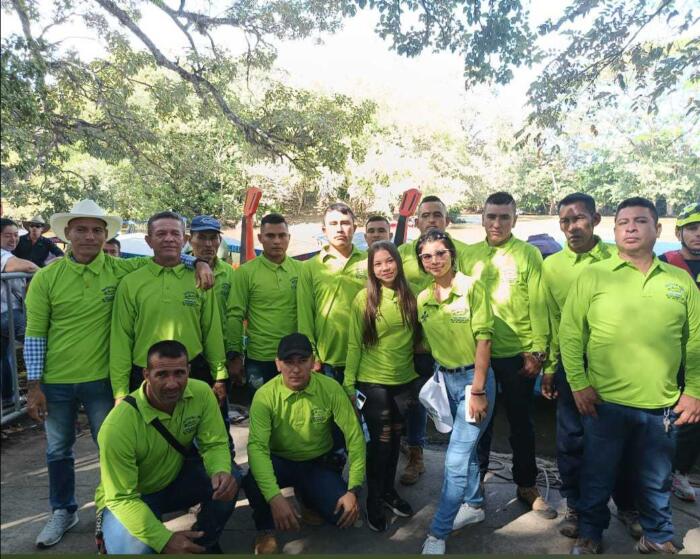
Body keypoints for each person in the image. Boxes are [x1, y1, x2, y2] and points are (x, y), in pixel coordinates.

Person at [23, 200, 211, 548]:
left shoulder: (121, 269)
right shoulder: (46, 278)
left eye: (97, 230)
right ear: (67, 234)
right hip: (57, 380)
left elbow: (165, 257)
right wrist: (34, 386)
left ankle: (116, 507)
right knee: (58, 450)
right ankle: (63, 510)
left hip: (101, 380)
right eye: (81, 230)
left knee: (108, 448)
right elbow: (35, 332)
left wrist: (197, 261)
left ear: (106, 235)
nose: (89, 237)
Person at [560, 197, 700, 555]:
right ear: (615, 229)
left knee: (656, 480)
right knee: (596, 476)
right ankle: (590, 532)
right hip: (604, 403)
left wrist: (694, 391)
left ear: (659, 229)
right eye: (624, 222)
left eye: (640, 221)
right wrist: (578, 383)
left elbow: (696, 340)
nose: (631, 228)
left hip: (662, 405)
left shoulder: (679, 280)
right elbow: (572, 333)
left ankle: (658, 534)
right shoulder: (593, 275)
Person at [540, 193, 640, 539]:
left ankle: (628, 506)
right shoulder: (551, 266)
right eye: (565, 221)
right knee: (571, 440)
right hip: (571, 363)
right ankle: (576, 505)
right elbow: (552, 320)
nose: (572, 227)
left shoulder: (619, 258)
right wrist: (550, 367)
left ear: (596, 219)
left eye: (579, 219)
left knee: (622, 439)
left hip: (616, 365)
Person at [460, 192, 554, 518]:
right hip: (479, 355)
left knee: (521, 423)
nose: (496, 223)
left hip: (517, 355)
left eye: (504, 216)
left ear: (515, 219)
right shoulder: (469, 256)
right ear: (482, 218)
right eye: (491, 216)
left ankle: (526, 484)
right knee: (478, 423)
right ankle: (475, 486)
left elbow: (539, 305)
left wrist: (537, 351)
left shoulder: (528, 254)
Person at [96, 340, 238, 554]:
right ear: (146, 375)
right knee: (137, 551)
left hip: (174, 481)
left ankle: (201, 543)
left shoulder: (201, 393)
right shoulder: (117, 425)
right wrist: (164, 539)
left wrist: (220, 470)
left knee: (231, 477)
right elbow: (121, 497)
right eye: (162, 374)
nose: (172, 384)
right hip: (132, 497)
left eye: (179, 373)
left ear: (189, 371)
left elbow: (215, 443)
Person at [243, 333, 365, 554]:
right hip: (280, 461)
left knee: (342, 515)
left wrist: (353, 489)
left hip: (317, 463)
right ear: (278, 364)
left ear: (313, 362)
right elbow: (257, 448)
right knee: (253, 480)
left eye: (302, 361)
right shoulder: (264, 396)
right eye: (288, 362)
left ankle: (307, 498)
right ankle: (265, 530)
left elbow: (355, 437)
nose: (296, 369)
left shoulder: (330, 388)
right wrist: (274, 497)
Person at [414, 230, 496, 555]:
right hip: (445, 383)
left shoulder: (472, 288)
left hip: (474, 383)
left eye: (440, 253)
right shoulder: (423, 298)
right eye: (427, 256)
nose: (434, 260)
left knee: (456, 459)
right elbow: (426, 341)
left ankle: (438, 531)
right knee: (467, 449)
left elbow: (484, 340)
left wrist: (477, 390)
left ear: (452, 254)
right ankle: (474, 504)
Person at [109, 211, 228, 423]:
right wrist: (120, 391)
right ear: (149, 240)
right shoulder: (131, 283)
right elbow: (121, 338)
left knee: (205, 437)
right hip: (145, 375)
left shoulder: (200, 278)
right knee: (151, 441)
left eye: (175, 233)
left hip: (193, 371)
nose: (169, 239)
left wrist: (219, 376)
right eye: (161, 233)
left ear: (185, 239)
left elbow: (211, 330)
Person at [344, 241, 422, 531]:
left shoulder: (411, 295)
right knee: (381, 443)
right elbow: (354, 344)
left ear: (398, 262)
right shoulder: (363, 299)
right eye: (378, 264)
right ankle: (374, 498)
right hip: (372, 380)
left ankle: (389, 492)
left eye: (389, 261)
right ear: (371, 269)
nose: (385, 268)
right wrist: (349, 384)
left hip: (404, 380)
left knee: (396, 440)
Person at [397, 195, 471, 486]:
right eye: (425, 215)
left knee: (457, 411)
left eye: (437, 215)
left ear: (447, 220)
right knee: (416, 402)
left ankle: (462, 471)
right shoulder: (401, 254)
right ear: (416, 222)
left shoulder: (462, 253)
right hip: (413, 346)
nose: (431, 220)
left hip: (453, 347)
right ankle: (416, 455)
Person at [226, 213, 301, 397]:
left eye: (282, 236)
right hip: (260, 359)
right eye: (270, 236)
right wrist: (234, 356)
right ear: (260, 238)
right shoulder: (245, 272)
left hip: (295, 357)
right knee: (262, 414)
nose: (277, 241)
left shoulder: (302, 270)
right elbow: (235, 314)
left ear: (288, 238)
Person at [297, 202, 368, 383]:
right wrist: (311, 354)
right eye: (333, 224)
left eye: (345, 223)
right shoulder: (311, 267)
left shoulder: (370, 261)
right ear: (324, 229)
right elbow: (305, 314)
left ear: (355, 227)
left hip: (366, 356)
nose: (340, 229)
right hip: (327, 359)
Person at [659, 202, 700, 503]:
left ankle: (681, 471)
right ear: (680, 232)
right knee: (669, 416)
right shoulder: (664, 262)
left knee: (694, 419)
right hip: (669, 353)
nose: (698, 234)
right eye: (692, 228)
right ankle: (663, 472)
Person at [1, 218, 37, 406]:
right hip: (8, 313)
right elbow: (29, 267)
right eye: (7, 235)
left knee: (4, 357)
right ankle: (55, 396)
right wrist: (45, 276)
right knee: (40, 344)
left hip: (9, 312)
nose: (13, 239)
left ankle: (8, 399)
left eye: (15, 235)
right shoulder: (2, 255)